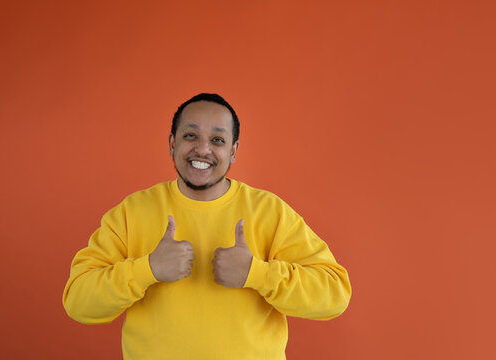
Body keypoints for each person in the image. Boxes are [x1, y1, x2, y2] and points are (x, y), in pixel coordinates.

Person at [63, 93, 351, 359]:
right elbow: (78, 302)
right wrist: (147, 268)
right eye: (191, 135)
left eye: (217, 140)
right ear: (172, 143)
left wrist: (258, 274)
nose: (202, 149)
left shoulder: (270, 212)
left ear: (234, 151)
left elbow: (334, 295)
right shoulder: (132, 212)